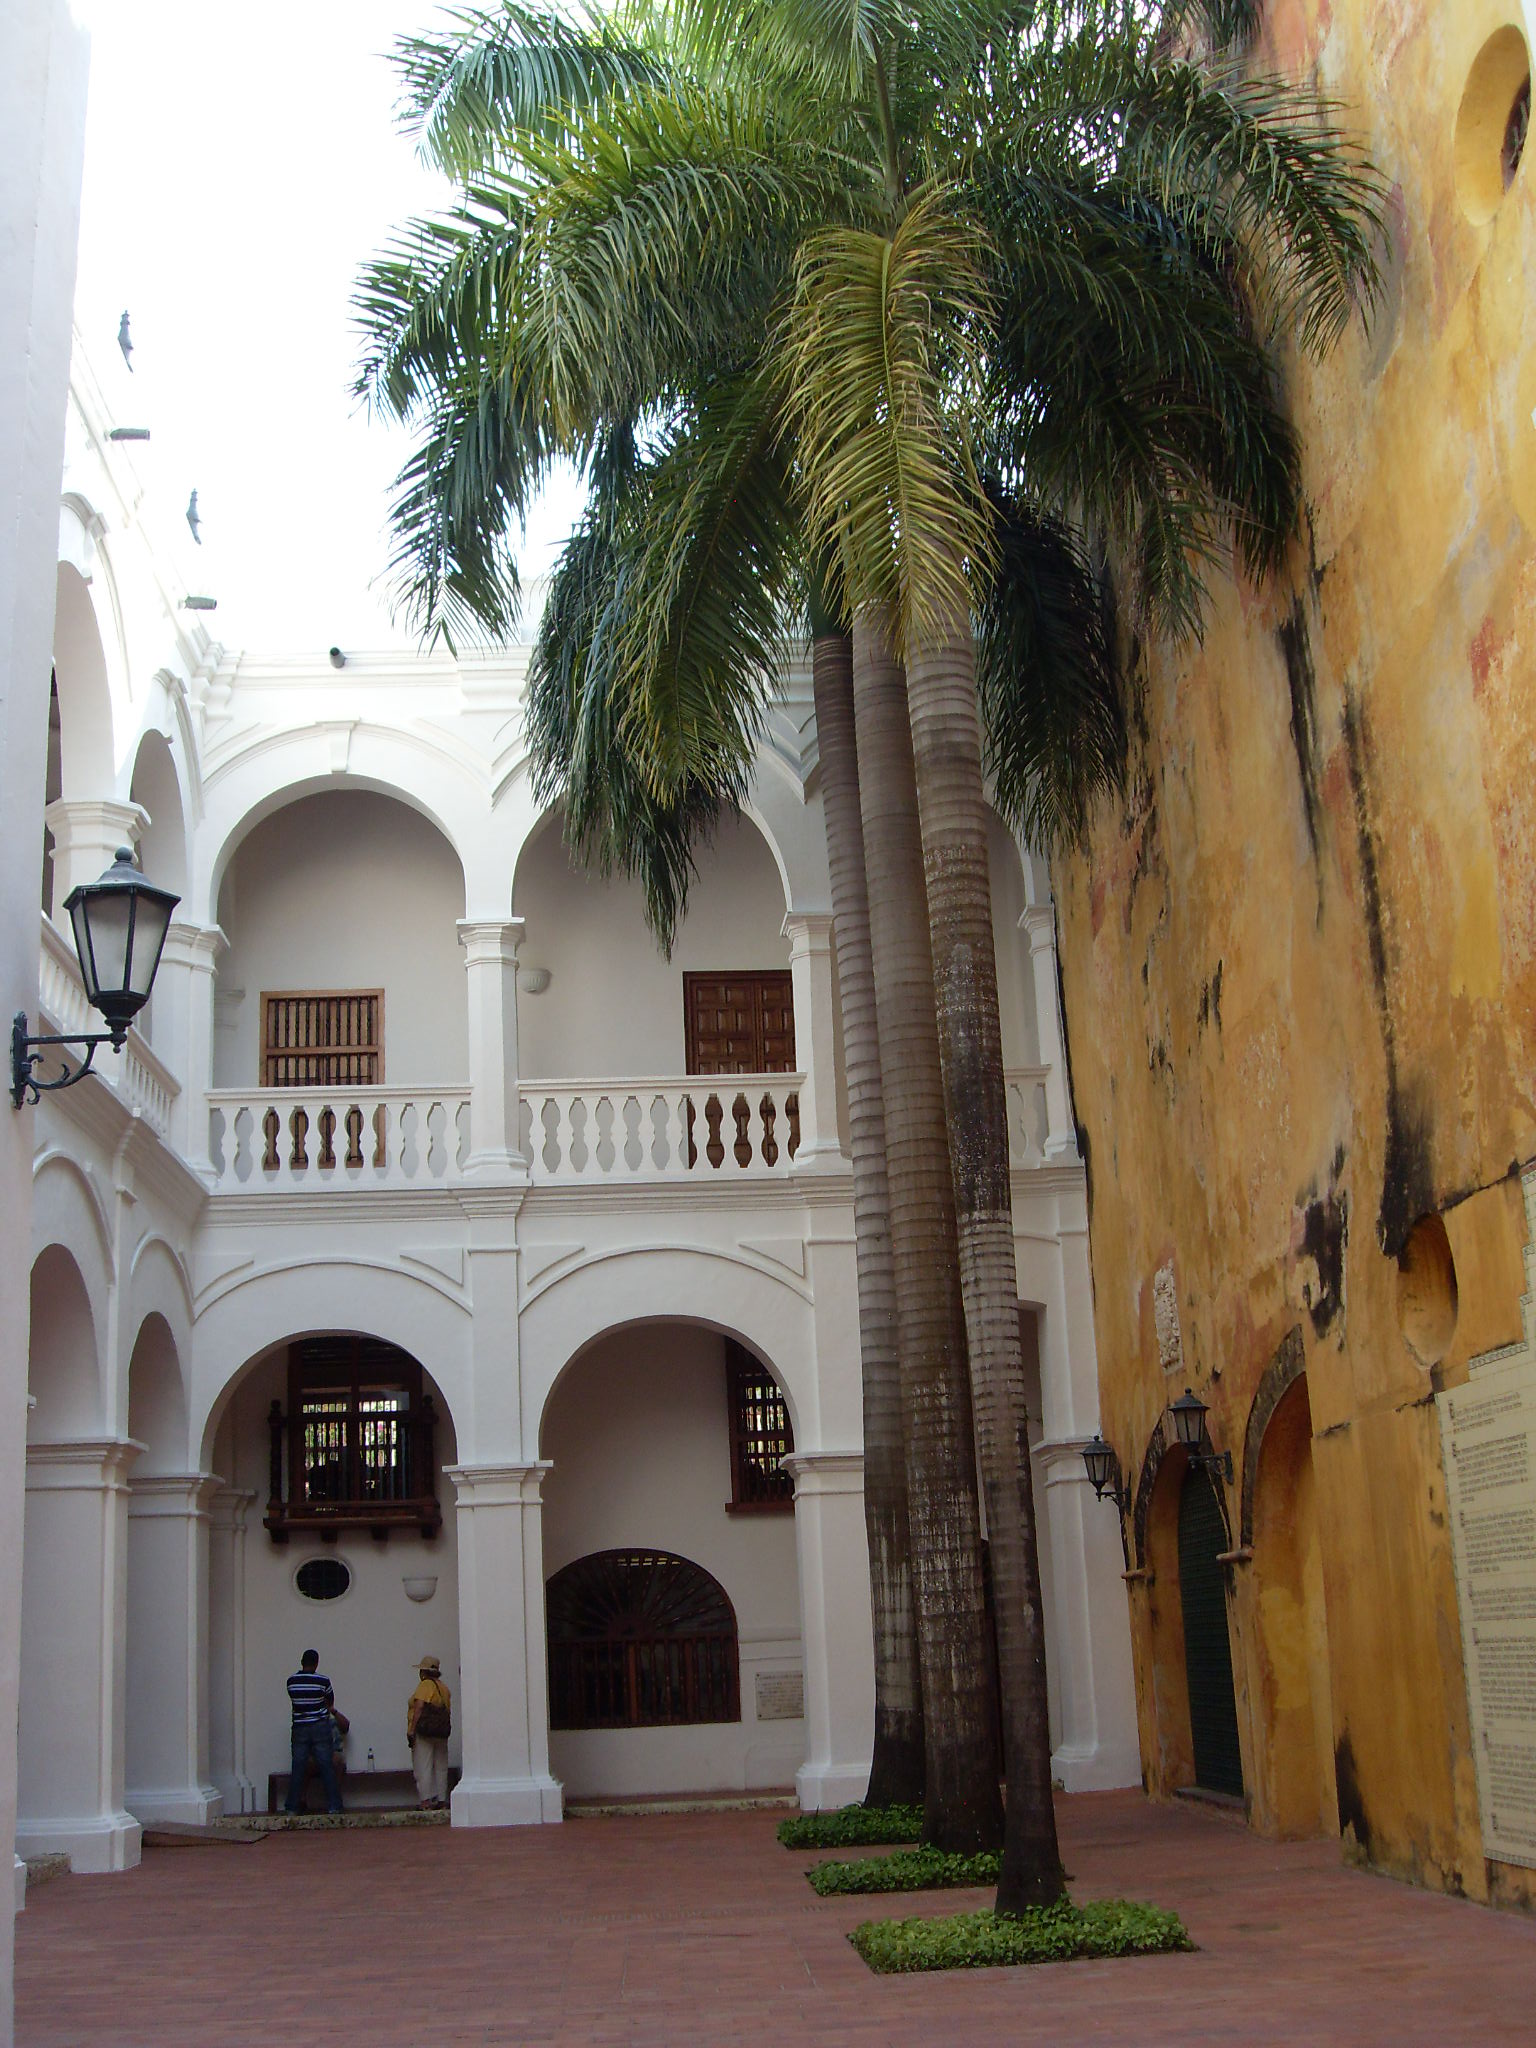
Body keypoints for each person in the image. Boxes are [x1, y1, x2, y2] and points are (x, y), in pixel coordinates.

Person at [285, 1649, 343, 1814]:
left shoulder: (291, 1681)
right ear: (316, 1663)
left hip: (299, 1727)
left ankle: (292, 1807)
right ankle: (334, 1805)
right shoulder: (323, 1681)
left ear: (302, 1662)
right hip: (320, 1726)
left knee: (298, 1766)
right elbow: (330, 1701)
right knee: (326, 1765)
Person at [406, 1655, 451, 1810]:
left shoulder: (425, 1685)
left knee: (423, 1765)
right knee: (441, 1766)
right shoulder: (444, 1688)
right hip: (441, 1732)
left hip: (425, 1731)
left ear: (424, 1672)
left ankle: (425, 1801)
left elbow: (419, 1707)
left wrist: (412, 1729)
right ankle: (442, 1800)